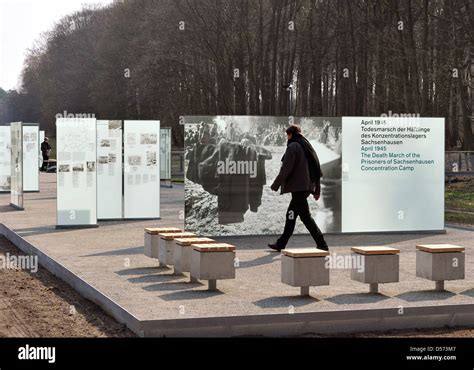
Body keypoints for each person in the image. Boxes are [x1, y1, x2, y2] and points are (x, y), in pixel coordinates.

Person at [269, 124, 328, 252]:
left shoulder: (293, 146)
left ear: (290, 135)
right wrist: (316, 189)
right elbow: (316, 167)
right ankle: (281, 243)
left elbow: (286, 168)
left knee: (305, 217)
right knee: (291, 214)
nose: (286, 138)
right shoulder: (306, 145)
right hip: (305, 187)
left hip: (299, 188)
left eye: (287, 135)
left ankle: (322, 243)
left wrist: (275, 184)